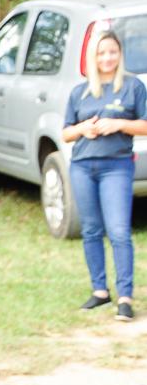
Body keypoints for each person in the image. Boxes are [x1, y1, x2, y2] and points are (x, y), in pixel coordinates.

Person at [62, 29, 147, 321]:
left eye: (112, 52)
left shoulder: (133, 86)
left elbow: (145, 125)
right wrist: (83, 129)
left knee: (119, 231)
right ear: (93, 57)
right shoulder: (80, 92)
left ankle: (125, 297)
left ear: (120, 54)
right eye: (101, 53)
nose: (107, 58)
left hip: (116, 166)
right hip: (83, 167)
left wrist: (118, 124)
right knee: (91, 230)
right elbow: (65, 133)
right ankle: (100, 291)